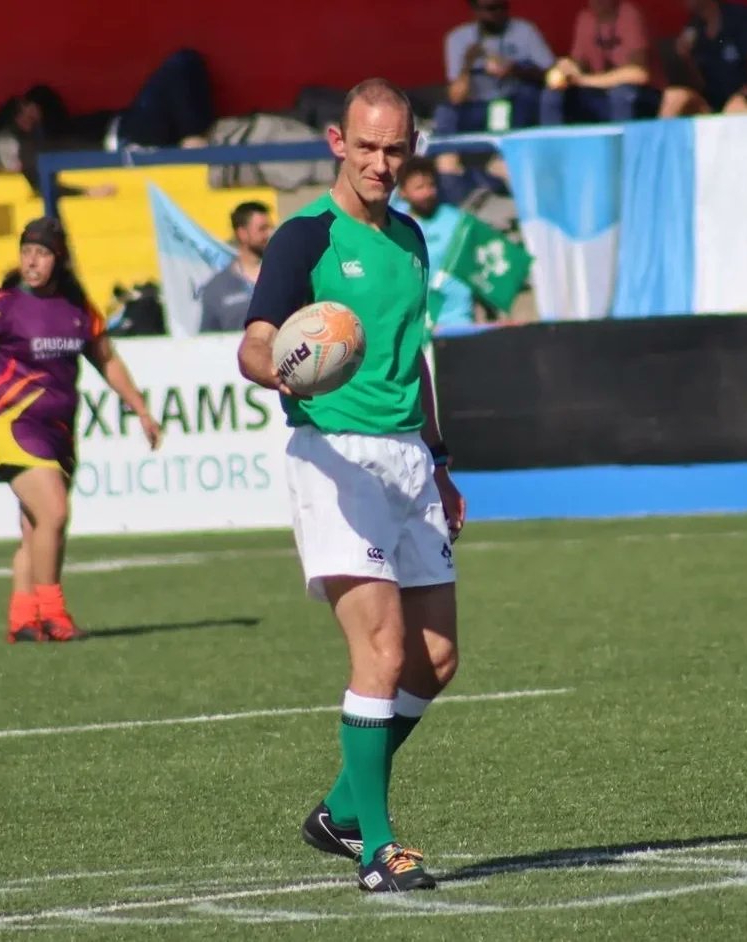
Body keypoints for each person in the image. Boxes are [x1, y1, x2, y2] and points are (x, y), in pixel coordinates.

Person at [237, 77, 466, 893]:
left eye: (394, 148)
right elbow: (255, 344)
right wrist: (284, 374)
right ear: (337, 141)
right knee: (382, 651)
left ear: (411, 148)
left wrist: (440, 462)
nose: (379, 161)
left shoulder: (410, 238)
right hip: (335, 458)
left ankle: (338, 811)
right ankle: (376, 850)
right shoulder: (305, 238)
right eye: (364, 145)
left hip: (408, 458)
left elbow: (416, 355)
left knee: (435, 661)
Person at [0, 217, 162, 643]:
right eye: (27, 250)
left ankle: (22, 617)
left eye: (42, 253)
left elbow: (106, 360)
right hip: (13, 423)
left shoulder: (77, 309)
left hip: (59, 429)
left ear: (59, 259)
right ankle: (53, 613)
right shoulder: (1, 305)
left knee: (35, 526)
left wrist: (140, 408)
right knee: (54, 512)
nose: (32, 260)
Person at [435, 0, 554, 205]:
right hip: (477, 107)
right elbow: (455, 96)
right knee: (445, 110)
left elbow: (552, 74)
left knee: (528, 94)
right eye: (490, 8)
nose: (497, 13)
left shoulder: (524, 31)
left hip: (514, 104)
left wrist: (514, 70)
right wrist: (467, 64)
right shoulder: (459, 38)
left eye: (501, 7)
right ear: (475, 10)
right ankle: (447, 162)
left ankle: (503, 161)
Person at [541, 0, 663, 125]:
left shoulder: (629, 15)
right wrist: (568, 69)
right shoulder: (586, 18)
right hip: (599, 94)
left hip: (641, 96)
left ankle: (621, 143)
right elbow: (580, 64)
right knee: (553, 93)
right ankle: (552, 142)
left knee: (621, 94)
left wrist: (584, 80)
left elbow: (639, 74)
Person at [394, 156, 479, 331]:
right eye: (419, 187)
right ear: (402, 192)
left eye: (431, 186)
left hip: (456, 319)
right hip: (414, 323)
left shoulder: (458, 221)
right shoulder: (395, 224)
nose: (427, 192)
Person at [658, 1, 747, 117]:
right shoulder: (693, 28)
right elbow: (700, 85)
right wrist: (687, 59)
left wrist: (743, 94)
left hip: (746, 100)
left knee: (736, 107)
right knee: (674, 99)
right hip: (710, 105)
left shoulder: (739, 17)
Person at [200, 201, 274, 332]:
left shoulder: (283, 276)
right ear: (242, 234)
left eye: (270, 228)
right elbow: (207, 341)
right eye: (262, 229)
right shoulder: (217, 288)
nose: (269, 234)